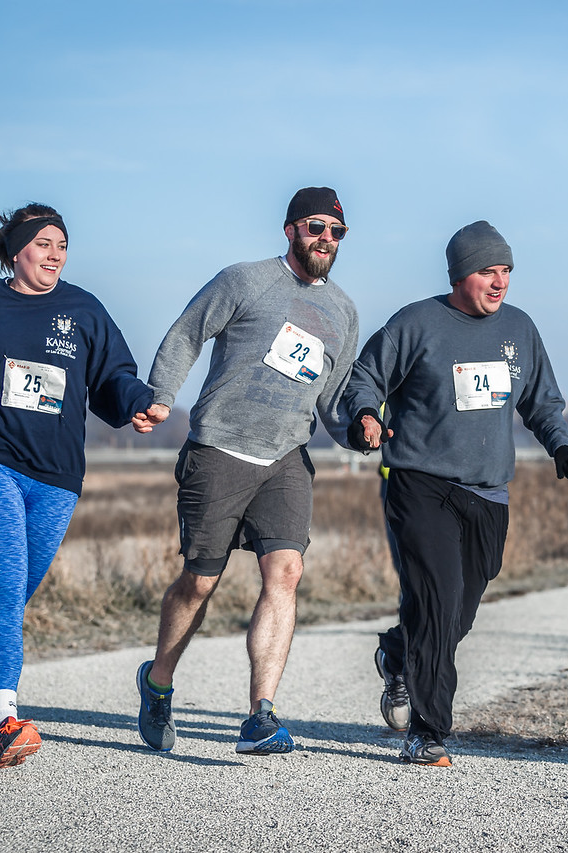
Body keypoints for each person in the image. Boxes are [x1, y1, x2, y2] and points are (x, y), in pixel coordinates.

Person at [0, 203, 154, 769]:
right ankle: (6, 719)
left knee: (12, 592)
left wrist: (137, 404)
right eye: (43, 244)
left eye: (62, 245)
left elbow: (113, 376)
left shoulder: (83, 310)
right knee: (7, 581)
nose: (55, 254)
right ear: (15, 251)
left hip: (56, 475)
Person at [131, 187, 360, 757]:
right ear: (290, 231)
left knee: (285, 573)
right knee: (200, 582)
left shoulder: (344, 312)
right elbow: (187, 333)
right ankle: (158, 681)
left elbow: (331, 401)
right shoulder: (244, 280)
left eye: (336, 231)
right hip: (220, 448)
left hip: (286, 457)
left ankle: (261, 714)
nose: (325, 239)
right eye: (315, 227)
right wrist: (161, 396)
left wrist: (361, 430)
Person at [344, 220, 568, 767]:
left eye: (506, 271)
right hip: (420, 484)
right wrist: (365, 416)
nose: (499, 282)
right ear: (459, 275)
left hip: (488, 494)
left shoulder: (519, 329)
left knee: (457, 617)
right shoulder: (416, 323)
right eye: (486, 271)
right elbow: (365, 378)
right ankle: (428, 732)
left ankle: (399, 654)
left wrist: (560, 445)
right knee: (438, 599)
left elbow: (541, 401)